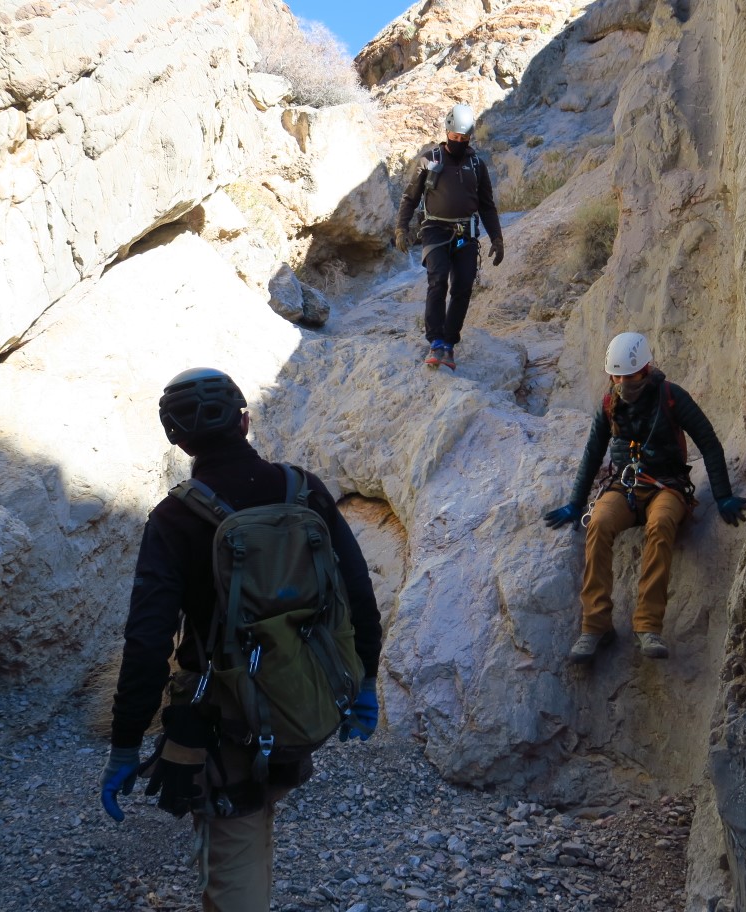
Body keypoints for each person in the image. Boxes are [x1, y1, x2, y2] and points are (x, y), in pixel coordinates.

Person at [100, 367, 384, 911]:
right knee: (258, 821)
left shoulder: (175, 516)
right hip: (304, 697)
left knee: (236, 852)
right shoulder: (303, 489)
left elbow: (147, 641)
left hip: (224, 720)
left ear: (175, 439)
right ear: (245, 422)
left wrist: (125, 743)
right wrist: (364, 681)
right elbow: (356, 592)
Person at [543, 332, 746, 663]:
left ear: (645, 369)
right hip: (625, 486)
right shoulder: (610, 403)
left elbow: (708, 442)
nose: (623, 382)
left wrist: (723, 496)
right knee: (598, 524)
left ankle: (647, 625)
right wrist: (575, 502)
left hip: (668, 485)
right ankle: (595, 626)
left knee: (662, 523)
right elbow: (593, 453)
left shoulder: (671, 397)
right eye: (617, 375)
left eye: (630, 375)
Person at [395, 102, 505, 371]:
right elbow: (410, 197)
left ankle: (449, 343)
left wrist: (497, 238)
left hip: (464, 235)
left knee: (464, 286)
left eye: (464, 138)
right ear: (447, 132)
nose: (458, 142)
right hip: (435, 231)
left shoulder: (477, 165)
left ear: (470, 137)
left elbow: (487, 205)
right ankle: (435, 342)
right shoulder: (429, 160)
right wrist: (401, 227)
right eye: (454, 137)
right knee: (438, 280)